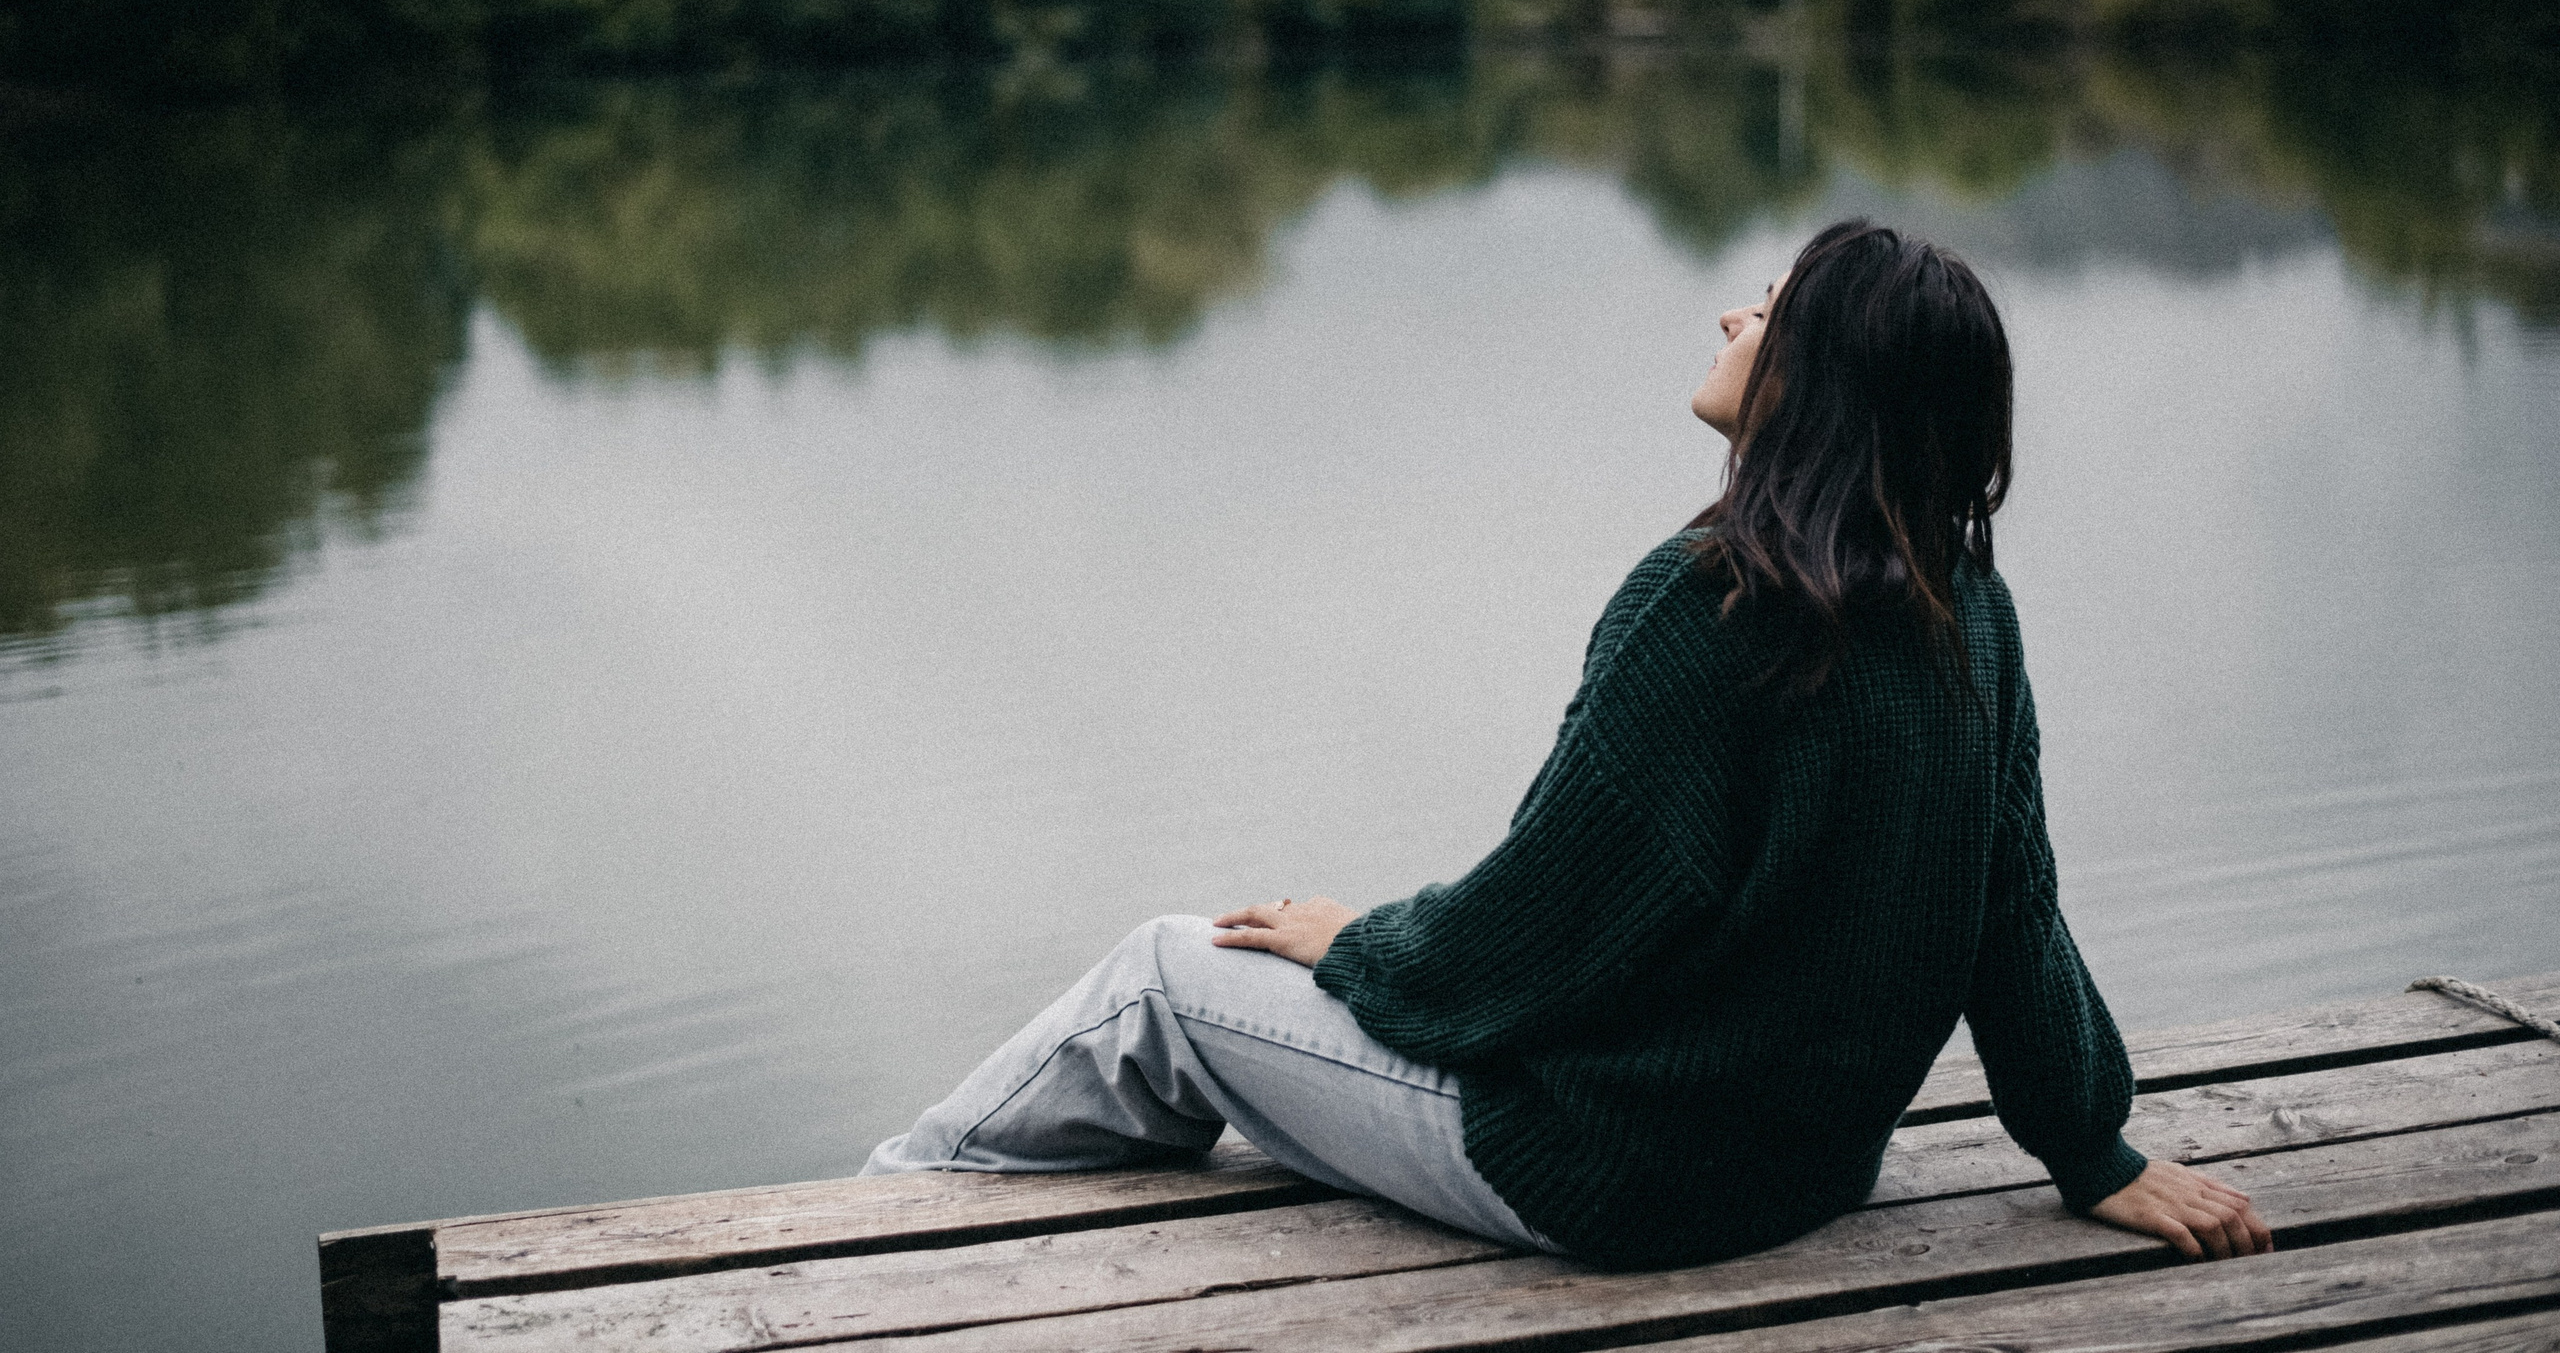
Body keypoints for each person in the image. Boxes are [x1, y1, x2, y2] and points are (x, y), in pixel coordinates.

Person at [862, 219, 2274, 1270]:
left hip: (1613, 1183)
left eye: (1769, 307)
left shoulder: (1710, 602)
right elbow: (2013, 913)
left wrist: (1353, 942)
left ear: (1820, 377)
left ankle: (862, 1224)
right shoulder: (1973, 609)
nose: (1731, 312)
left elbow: (1527, 945)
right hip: (1802, 1173)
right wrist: (2090, 1145)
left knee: (1162, 981)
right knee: (1220, 1013)